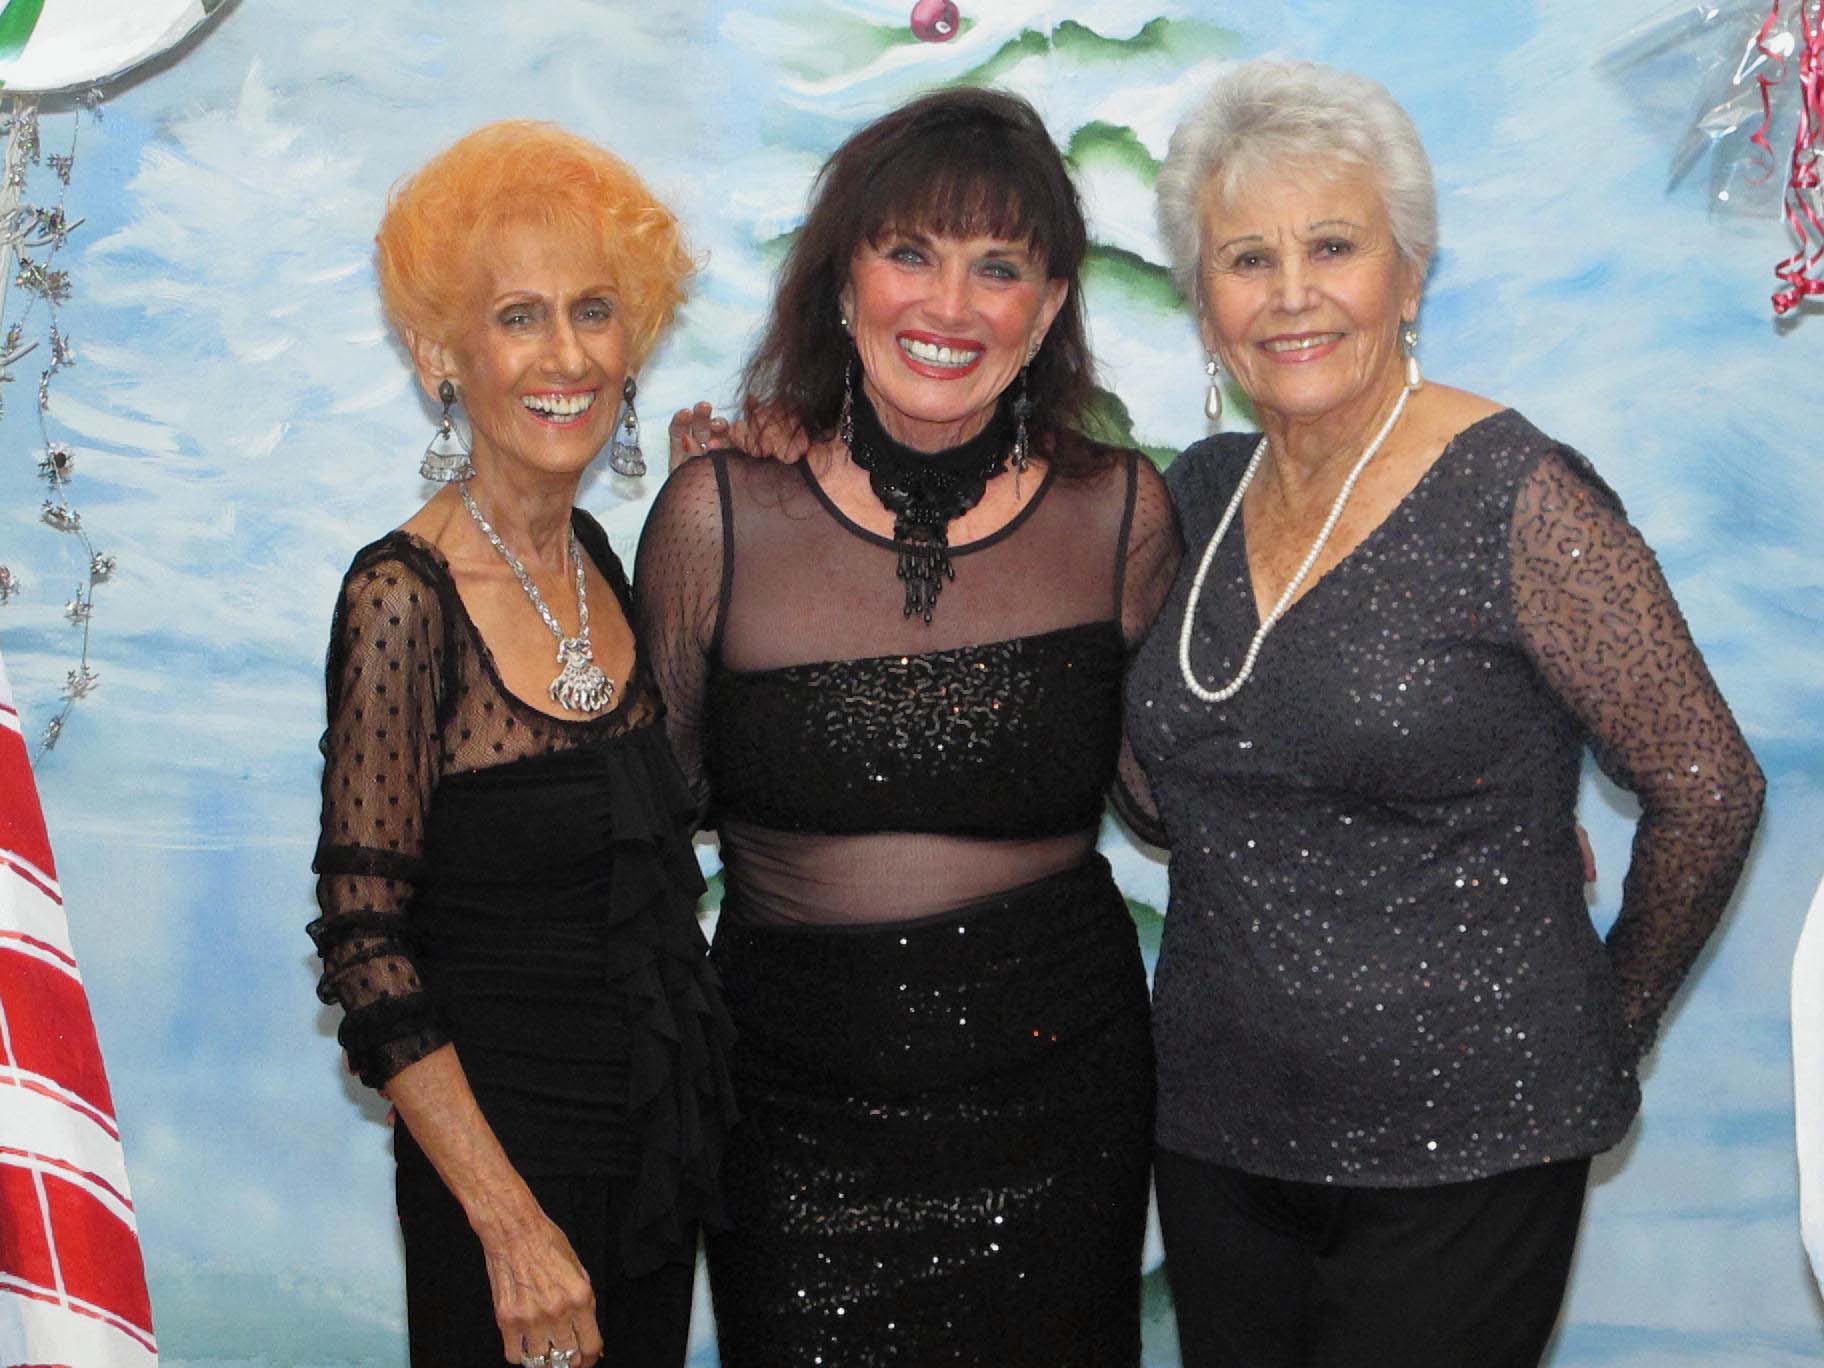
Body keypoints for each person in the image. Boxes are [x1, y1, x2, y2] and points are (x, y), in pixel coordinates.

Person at [1125, 59, 1766, 1367]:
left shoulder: (1516, 495)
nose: (1291, 292)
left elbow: (1710, 783)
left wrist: (1615, 1018)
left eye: (1334, 246)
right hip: (1216, 1135)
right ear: (1204, 306)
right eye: (1247, 258)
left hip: (1474, 1146)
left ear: (1409, 277)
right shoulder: (1191, 497)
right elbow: (1162, 788)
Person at [635, 87, 1180, 1367]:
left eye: (999, 267)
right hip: (790, 1123)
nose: (949, 306)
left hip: (1061, 1110)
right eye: (910, 254)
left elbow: (1175, 800)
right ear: (843, 281)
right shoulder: (719, 514)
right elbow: (642, 816)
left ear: (1049, 306)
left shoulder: (1120, 516)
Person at [308, 120, 735, 1368]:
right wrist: (509, 1230)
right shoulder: (401, 596)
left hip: (647, 1168)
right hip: (504, 1197)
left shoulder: (599, 558)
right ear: (440, 353)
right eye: (518, 317)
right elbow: (366, 947)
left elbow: (654, 831)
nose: (567, 356)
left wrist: (725, 522)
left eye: (594, 310)